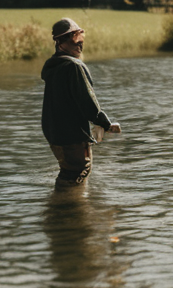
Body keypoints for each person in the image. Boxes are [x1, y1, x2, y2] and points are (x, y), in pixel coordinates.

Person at [41, 18, 119, 187]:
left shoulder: (52, 66)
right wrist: (105, 123)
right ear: (60, 42)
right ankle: (66, 208)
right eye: (74, 39)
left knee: (69, 171)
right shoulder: (73, 67)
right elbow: (87, 103)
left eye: (80, 38)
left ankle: (69, 208)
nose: (79, 44)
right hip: (72, 135)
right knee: (78, 171)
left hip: (55, 134)